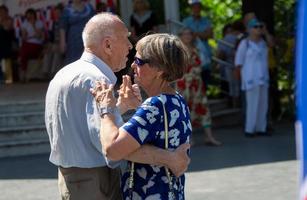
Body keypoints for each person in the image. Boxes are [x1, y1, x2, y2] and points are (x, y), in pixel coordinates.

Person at [45, 12, 190, 200]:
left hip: (76, 179)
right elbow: (111, 147)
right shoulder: (96, 80)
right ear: (107, 45)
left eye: (140, 61)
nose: (130, 47)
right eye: (126, 39)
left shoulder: (66, 73)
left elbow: (88, 128)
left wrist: (118, 108)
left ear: (159, 70)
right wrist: (169, 158)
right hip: (94, 182)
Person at [90, 33, 192, 199]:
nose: (132, 65)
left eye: (139, 61)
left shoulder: (154, 106)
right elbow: (157, 135)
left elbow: (112, 150)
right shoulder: (176, 100)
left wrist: (106, 108)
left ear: (159, 70)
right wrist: (135, 108)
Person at [176, 27, 221, 146]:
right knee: (186, 110)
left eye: (189, 34)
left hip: (197, 84)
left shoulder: (196, 48)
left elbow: (203, 64)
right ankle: (189, 138)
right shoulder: (178, 51)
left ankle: (209, 136)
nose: (188, 36)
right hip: (184, 84)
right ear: (180, 36)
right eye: (185, 34)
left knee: (203, 108)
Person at [235, 18, 270, 137]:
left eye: (260, 26)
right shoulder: (245, 43)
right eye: (256, 27)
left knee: (263, 104)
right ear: (249, 29)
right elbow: (238, 63)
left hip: (263, 77)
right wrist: (240, 79)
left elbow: (272, 44)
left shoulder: (264, 42)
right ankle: (249, 129)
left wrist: (266, 32)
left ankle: (261, 128)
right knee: (252, 104)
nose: (259, 29)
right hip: (250, 78)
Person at [182, 0, 214, 91]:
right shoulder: (186, 21)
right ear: (191, 8)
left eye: (198, 7)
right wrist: (202, 34)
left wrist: (196, 34)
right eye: (194, 7)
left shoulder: (206, 21)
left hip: (204, 57)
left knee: (204, 82)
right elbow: (185, 35)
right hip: (191, 56)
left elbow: (210, 35)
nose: (196, 9)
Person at [60, 0, 95, 64]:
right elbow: (62, 27)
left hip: (88, 41)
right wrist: (63, 42)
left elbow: (95, 23)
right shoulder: (67, 10)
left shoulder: (89, 8)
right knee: (73, 63)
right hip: (73, 42)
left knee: (88, 62)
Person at [19, 8, 44, 82]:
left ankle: (23, 73)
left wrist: (33, 25)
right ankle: (24, 74)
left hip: (37, 44)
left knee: (24, 51)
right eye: (28, 16)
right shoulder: (24, 24)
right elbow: (24, 37)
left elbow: (39, 36)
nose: (29, 17)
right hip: (27, 43)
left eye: (31, 15)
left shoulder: (39, 23)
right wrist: (33, 36)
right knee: (24, 51)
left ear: (34, 15)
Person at [0, 5, 14, 84]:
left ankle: (8, 79)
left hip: (7, 45)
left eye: (3, 12)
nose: (1, 13)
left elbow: (7, 28)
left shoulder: (9, 20)